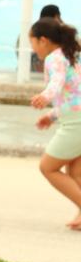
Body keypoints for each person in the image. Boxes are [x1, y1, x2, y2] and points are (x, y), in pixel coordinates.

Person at [28, 17, 81, 230]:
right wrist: (51, 116)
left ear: (43, 40)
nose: (33, 49)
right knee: (75, 173)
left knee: (47, 167)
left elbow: (57, 83)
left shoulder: (54, 58)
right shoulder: (72, 55)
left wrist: (45, 96)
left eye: (32, 43)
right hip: (75, 119)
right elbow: (74, 96)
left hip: (76, 124)